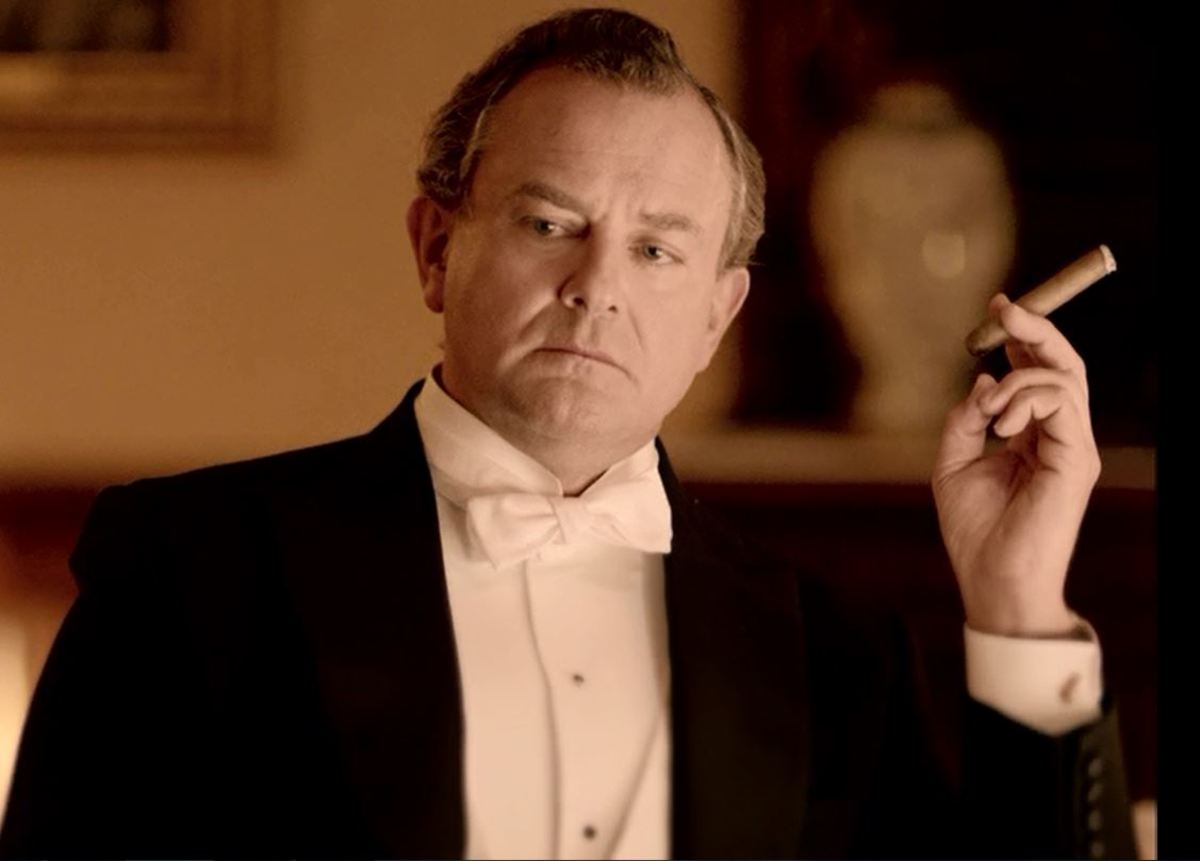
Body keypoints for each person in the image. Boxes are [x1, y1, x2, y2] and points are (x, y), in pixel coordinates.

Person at [0, 8, 1135, 859]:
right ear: (436, 248)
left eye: (656, 249)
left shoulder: (834, 650)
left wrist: (1020, 606)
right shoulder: (185, 568)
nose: (598, 287)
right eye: (550, 224)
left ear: (717, 315)